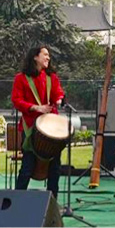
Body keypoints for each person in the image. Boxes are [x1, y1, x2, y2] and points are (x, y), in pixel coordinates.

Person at [11, 46, 65, 198]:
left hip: (51, 129)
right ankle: (17, 201)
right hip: (30, 129)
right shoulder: (21, 78)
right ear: (35, 57)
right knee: (27, 168)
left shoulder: (51, 77)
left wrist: (60, 99)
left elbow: (57, 94)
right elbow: (16, 100)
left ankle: (52, 202)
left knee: (55, 168)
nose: (48, 58)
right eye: (45, 55)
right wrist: (35, 108)